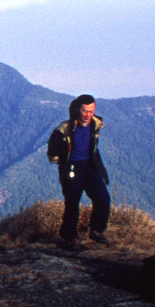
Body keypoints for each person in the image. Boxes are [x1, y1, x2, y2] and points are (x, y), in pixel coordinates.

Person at [46, 94, 111, 250]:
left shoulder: (95, 124)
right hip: (72, 168)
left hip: (89, 166)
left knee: (103, 198)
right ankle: (70, 238)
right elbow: (52, 151)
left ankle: (96, 230)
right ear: (77, 109)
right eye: (85, 111)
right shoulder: (65, 128)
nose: (88, 115)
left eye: (91, 111)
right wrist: (61, 163)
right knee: (73, 203)